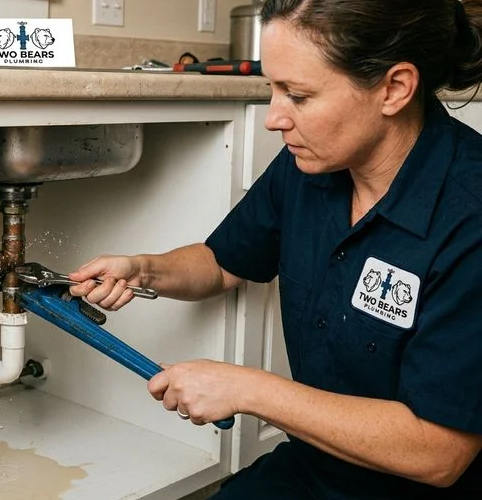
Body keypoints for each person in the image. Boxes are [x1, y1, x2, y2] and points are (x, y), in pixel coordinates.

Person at [67, 0, 482, 498]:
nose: (274, 118)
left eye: (298, 95)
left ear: (394, 88)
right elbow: (223, 262)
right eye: (273, 88)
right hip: (318, 466)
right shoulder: (312, 165)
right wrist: (143, 270)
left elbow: (438, 453)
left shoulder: (470, 215)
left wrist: (247, 389)